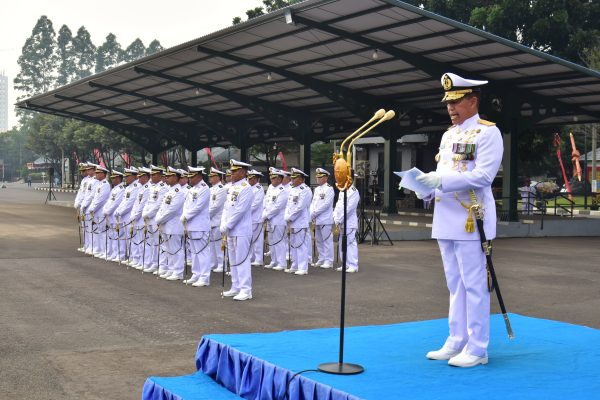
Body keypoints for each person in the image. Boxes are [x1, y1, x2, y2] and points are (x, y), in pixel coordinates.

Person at [414, 72, 503, 368]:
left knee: (474, 284)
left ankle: (478, 347)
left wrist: (441, 179)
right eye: (448, 103)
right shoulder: (448, 135)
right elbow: (447, 173)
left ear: (472, 101)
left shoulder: (487, 133)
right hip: (446, 217)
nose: (450, 109)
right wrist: (425, 188)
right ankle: (456, 340)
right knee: (454, 283)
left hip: (470, 217)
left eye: (456, 102)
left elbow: (483, 176)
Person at [220, 159, 254, 301]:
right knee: (232, 260)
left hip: (241, 230)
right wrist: (224, 224)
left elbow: (240, 211)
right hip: (231, 230)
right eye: (231, 171)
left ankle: (246, 289)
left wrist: (227, 225)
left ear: (242, 172)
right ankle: (236, 286)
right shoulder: (232, 187)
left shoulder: (246, 188)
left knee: (242, 260)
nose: (231, 174)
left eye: (234, 171)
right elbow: (227, 208)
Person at [181, 166, 211, 287]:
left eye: (192, 177)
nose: (190, 180)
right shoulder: (192, 189)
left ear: (199, 176)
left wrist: (186, 216)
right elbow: (187, 205)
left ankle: (204, 277)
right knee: (194, 251)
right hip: (191, 225)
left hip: (200, 225)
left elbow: (198, 207)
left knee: (202, 252)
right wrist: (184, 216)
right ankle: (196, 274)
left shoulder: (204, 188)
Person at [155, 167, 186, 280]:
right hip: (165, 225)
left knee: (176, 249)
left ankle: (178, 272)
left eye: (169, 176)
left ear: (175, 177)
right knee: (168, 249)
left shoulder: (179, 192)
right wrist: (159, 218)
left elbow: (172, 210)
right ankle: (171, 269)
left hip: (174, 225)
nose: (166, 178)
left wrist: (159, 220)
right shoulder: (169, 190)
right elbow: (162, 207)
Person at [284, 168, 313, 275]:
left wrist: (290, 217)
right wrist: (286, 216)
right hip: (292, 221)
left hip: (300, 221)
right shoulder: (292, 189)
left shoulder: (305, 190)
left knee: (301, 245)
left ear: (301, 179)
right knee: (293, 244)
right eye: (291, 177)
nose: (292, 180)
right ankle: (295, 265)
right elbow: (288, 205)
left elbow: (300, 207)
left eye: (294, 178)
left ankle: (303, 267)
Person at [141, 165, 169, 273]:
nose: (151, 176)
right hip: (149, 219)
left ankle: (161, 265)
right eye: (151, 174)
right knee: (152, 242)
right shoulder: (152, 187)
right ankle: (153, 263)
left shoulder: (163, 188)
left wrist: (148, 214)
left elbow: (158, 205)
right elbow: (148, 203)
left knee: (159, 244)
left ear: (159, 175)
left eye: (153, 175)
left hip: (156, 219)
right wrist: (145, 213)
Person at [262, 168, 288, 271]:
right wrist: (265, 214)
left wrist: (266, 215)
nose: (272, 180)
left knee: (279, 242)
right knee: (272, 241)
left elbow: (278, 207)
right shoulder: (270, 188)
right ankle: (274, 261)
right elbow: (265, 203)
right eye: (271, 178)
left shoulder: (283, 191)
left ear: (280, 179)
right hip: (270, 220)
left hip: (278, 220)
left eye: (274, 178)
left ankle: (282, 263)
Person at [333, 180, 360, 273]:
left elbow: (349, 209)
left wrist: (339, 219)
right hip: (341, 222)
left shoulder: (354, 191)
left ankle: (353, 265)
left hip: (349, 223)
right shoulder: (342, 190)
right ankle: (345, 264)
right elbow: (338, 205)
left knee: (350, 243)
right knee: (342, 243)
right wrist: (335, 217)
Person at [310, 167, 335, 269]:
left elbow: (326, 204)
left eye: (320, 177)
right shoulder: (316, 189)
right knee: (318, 240)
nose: (318, 179)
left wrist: (315, 213)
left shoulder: (329, 189)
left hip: (325, 219)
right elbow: (313, 203)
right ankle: (322, 258)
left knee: (327, 240)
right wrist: (311, 213)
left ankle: (329, 260)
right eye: (317, 177)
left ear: (325, 178)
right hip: (317, 219)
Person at [115, 167, 140, 264]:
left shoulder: (136, 187)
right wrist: (118, 211)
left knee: (133, 237)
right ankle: (131, 257)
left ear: (134, 176)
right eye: (126, 176)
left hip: (130, 215)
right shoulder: (129, 187)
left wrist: (120, 212)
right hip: (124, 216)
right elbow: (123, 202)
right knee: (128, 238)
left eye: (128, 176)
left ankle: (135, 258)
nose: (126, 178)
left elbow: (130, 204)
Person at [129, 167, 151, 269]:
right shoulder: (142, 188)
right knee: (138, 241)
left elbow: (142, 205)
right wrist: (132, 216)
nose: (138, 179)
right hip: (136, 219)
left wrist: (135, 216)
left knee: (144, 242)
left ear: (146, 177)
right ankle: (139, 260)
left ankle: (145, 262)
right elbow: (136, 204)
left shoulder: (148, 188)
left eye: (140, 177)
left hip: (142, 219)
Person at [87, 165, 111, 258]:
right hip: (96, 212)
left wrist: (92, 208)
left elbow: (100, 200)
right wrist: (92, 208)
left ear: (103, 174)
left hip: (101, 211)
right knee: (98, 231)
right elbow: (94, 198)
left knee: (104, 232)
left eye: (98, 173)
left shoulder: (105, 185)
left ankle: (106, 251)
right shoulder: (100, 184)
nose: (96, 174)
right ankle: (100, 249)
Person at [102, 170, 126, 261]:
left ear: (119, 178)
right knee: (112, 235)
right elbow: (109, 202)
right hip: (110, 216)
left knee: (119, 236)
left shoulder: (121, 190)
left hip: (116, 216)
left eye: (114, 178)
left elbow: (116, 204)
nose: (112, 180)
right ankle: (113, 253)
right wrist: (105, 210)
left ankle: (120, 254)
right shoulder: (114, 189)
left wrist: (107, 211)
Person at [208, 167, 228, 273]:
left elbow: (216, 207)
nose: (210, 178)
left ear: (218, 177)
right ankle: (213, 263)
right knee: (211, 244)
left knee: (219, 244)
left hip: (217, 220)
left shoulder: (221, 189)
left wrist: (205, 216)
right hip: (210, 221)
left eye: (212, 176)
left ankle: (222, 264)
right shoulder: (211, 189)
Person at [248, 169, 265, 267]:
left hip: (256, 217)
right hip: (249, 218)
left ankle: (259, 259)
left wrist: (245, 212)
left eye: (251, 178)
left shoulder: (258, 188)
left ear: (255, 179)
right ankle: (252, 257)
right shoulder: (249, 188)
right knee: (250, 239)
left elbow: (255, 204)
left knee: (257, 240)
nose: (249, 180)